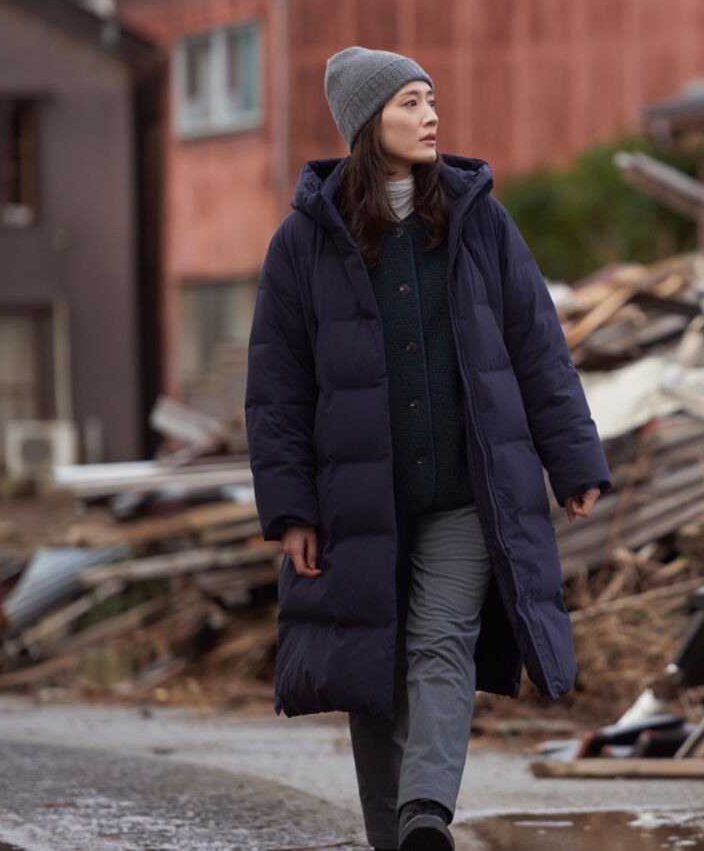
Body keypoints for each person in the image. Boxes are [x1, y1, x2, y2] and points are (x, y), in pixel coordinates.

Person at [245, 47, 610, 851]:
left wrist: (573, 460)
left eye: (431, 99)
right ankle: (396, 835)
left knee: (441, 639)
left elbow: (538, 348)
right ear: (366, 121)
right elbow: (275, 390)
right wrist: (292, 510)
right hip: (356, 504)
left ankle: (425, 815)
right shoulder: (303, 245)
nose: (430, 115)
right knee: (371, 666)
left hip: (465, 497)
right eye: (410, 102)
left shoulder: (480, 222)